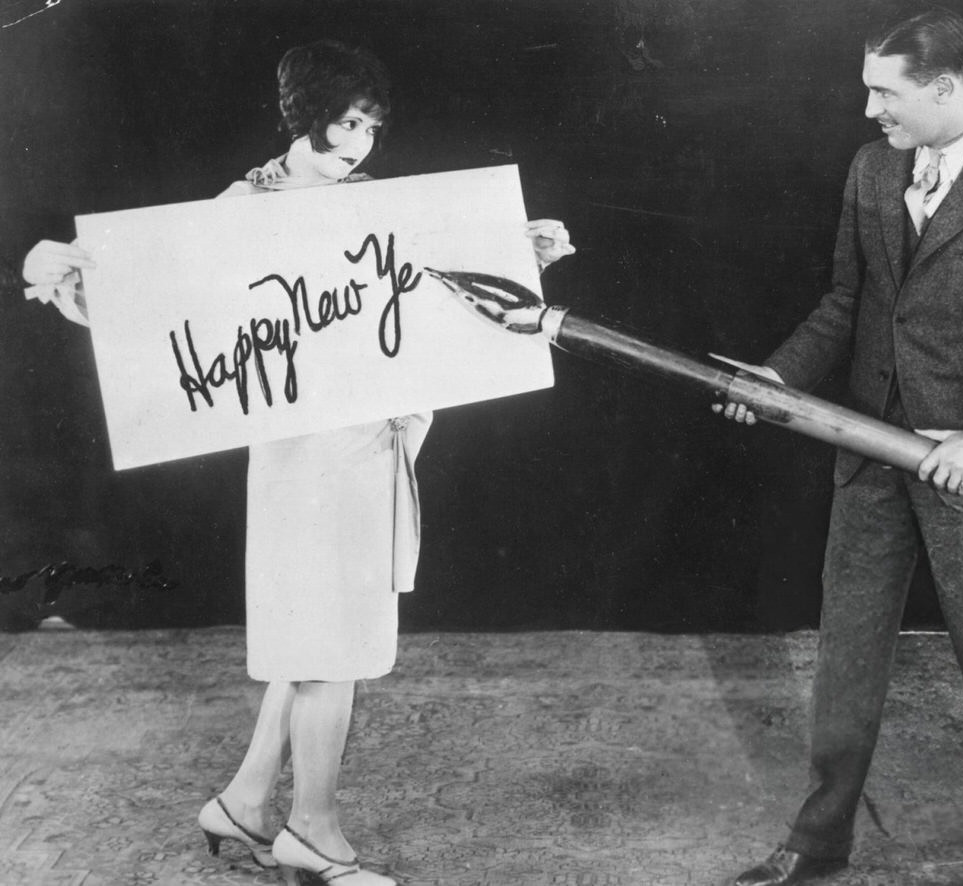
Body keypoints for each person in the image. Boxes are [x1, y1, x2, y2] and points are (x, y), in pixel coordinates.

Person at [23, 40, 574, 886]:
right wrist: (57, 273)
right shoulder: (250, 202)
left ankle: (245, 804)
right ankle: (313, 833)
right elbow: (158, 304)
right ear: (303, 116)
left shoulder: (370, 201)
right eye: (344, 124)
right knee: (328, 645)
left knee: (320, 638)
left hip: (372, 448)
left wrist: (517, 255)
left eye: (371, 126)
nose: (358, 141)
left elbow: (438, 299)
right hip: (302, 460)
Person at [716, 8, 963, 886]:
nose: (869, 111)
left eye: (884, 92)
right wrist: (780, 380)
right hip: (868, 459)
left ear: (945, 87)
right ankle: (818, 842)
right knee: (846, 663)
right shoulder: (871, 169)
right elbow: (848, 302)